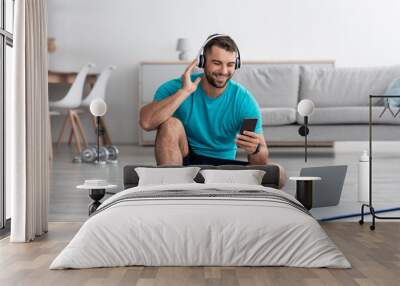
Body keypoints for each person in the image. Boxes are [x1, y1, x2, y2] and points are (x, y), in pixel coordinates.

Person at [139, 34, 285, 187]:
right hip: (186, 164)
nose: (223, 71)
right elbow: (146, 122)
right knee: (170, 124)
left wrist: (255, 149)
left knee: (279, 173)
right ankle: (175, 190)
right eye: (217, 63)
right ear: (203, 62)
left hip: (223, 168)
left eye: (230, 64)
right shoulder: (175, 88)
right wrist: (184, 92)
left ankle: (202, 187)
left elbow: (260, 163)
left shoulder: (244, 101)